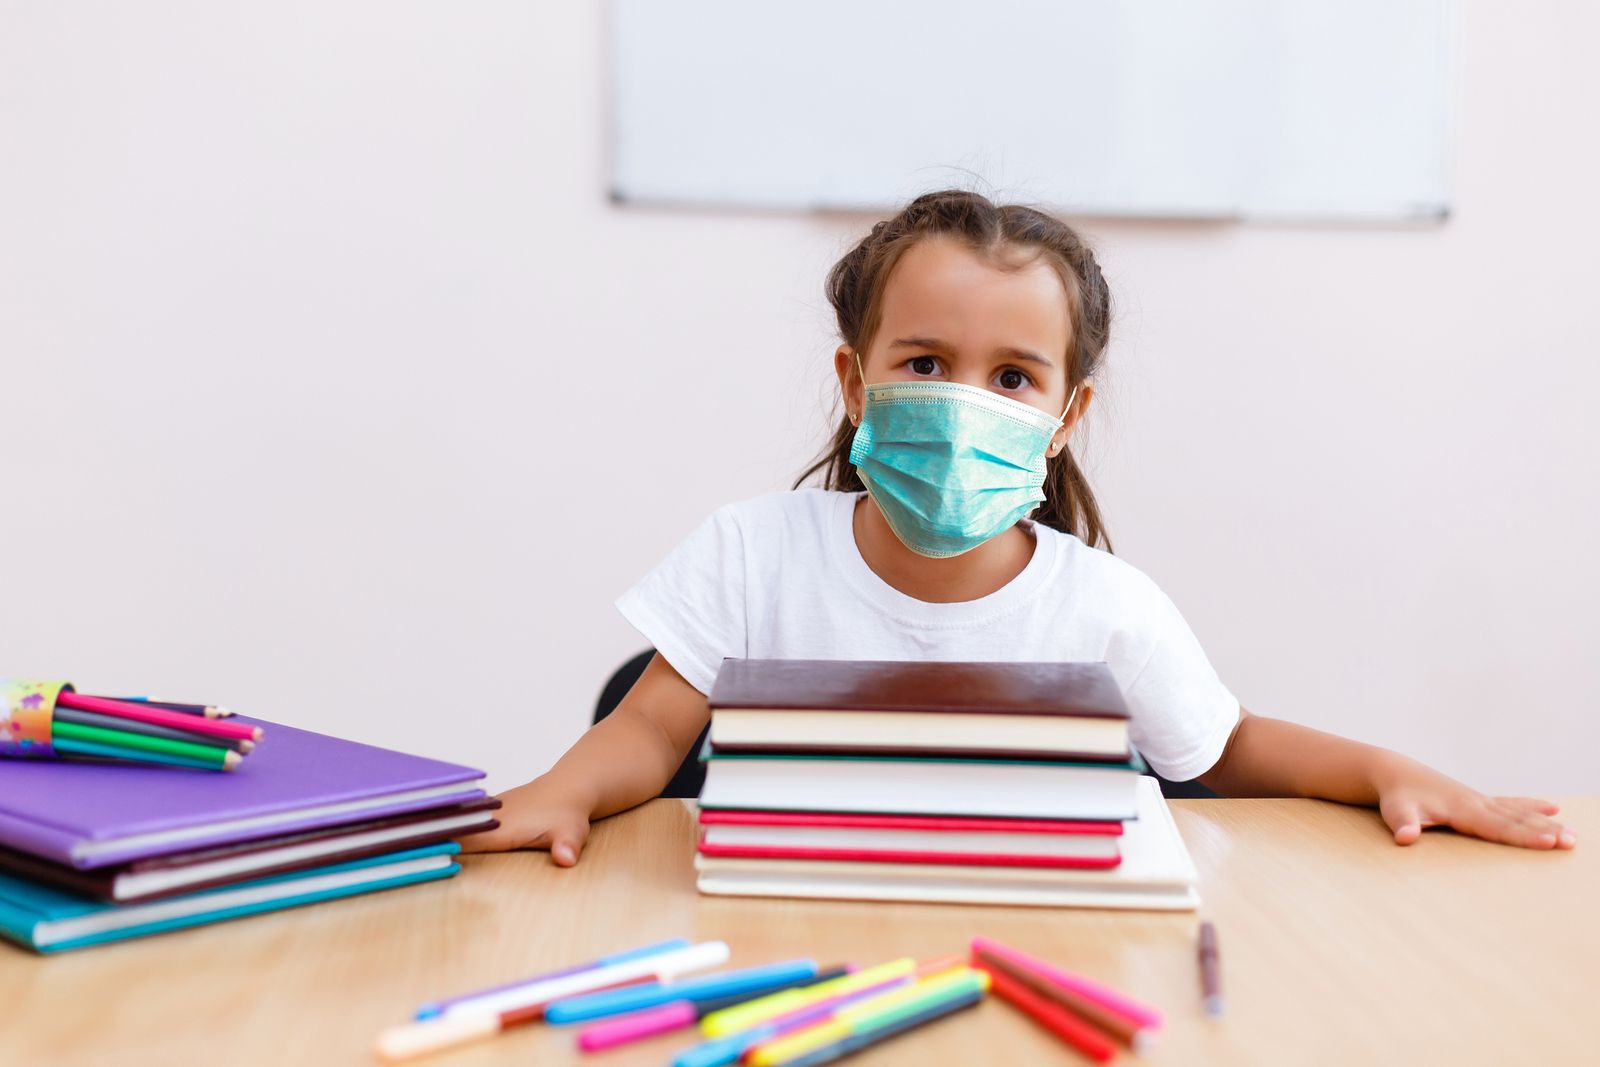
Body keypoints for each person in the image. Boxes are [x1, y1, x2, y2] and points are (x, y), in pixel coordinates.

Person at [461, 189, 1575, 863]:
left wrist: (1385, 765)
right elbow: (653, 730)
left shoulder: (1104, 603)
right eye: (925, 364)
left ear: (1065, 413)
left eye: (1011, 375)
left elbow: (1222, 747)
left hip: (1025, 937)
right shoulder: (753, 553)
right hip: (787, 925)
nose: (961, 404)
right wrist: (564, 784)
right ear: (856, 381)